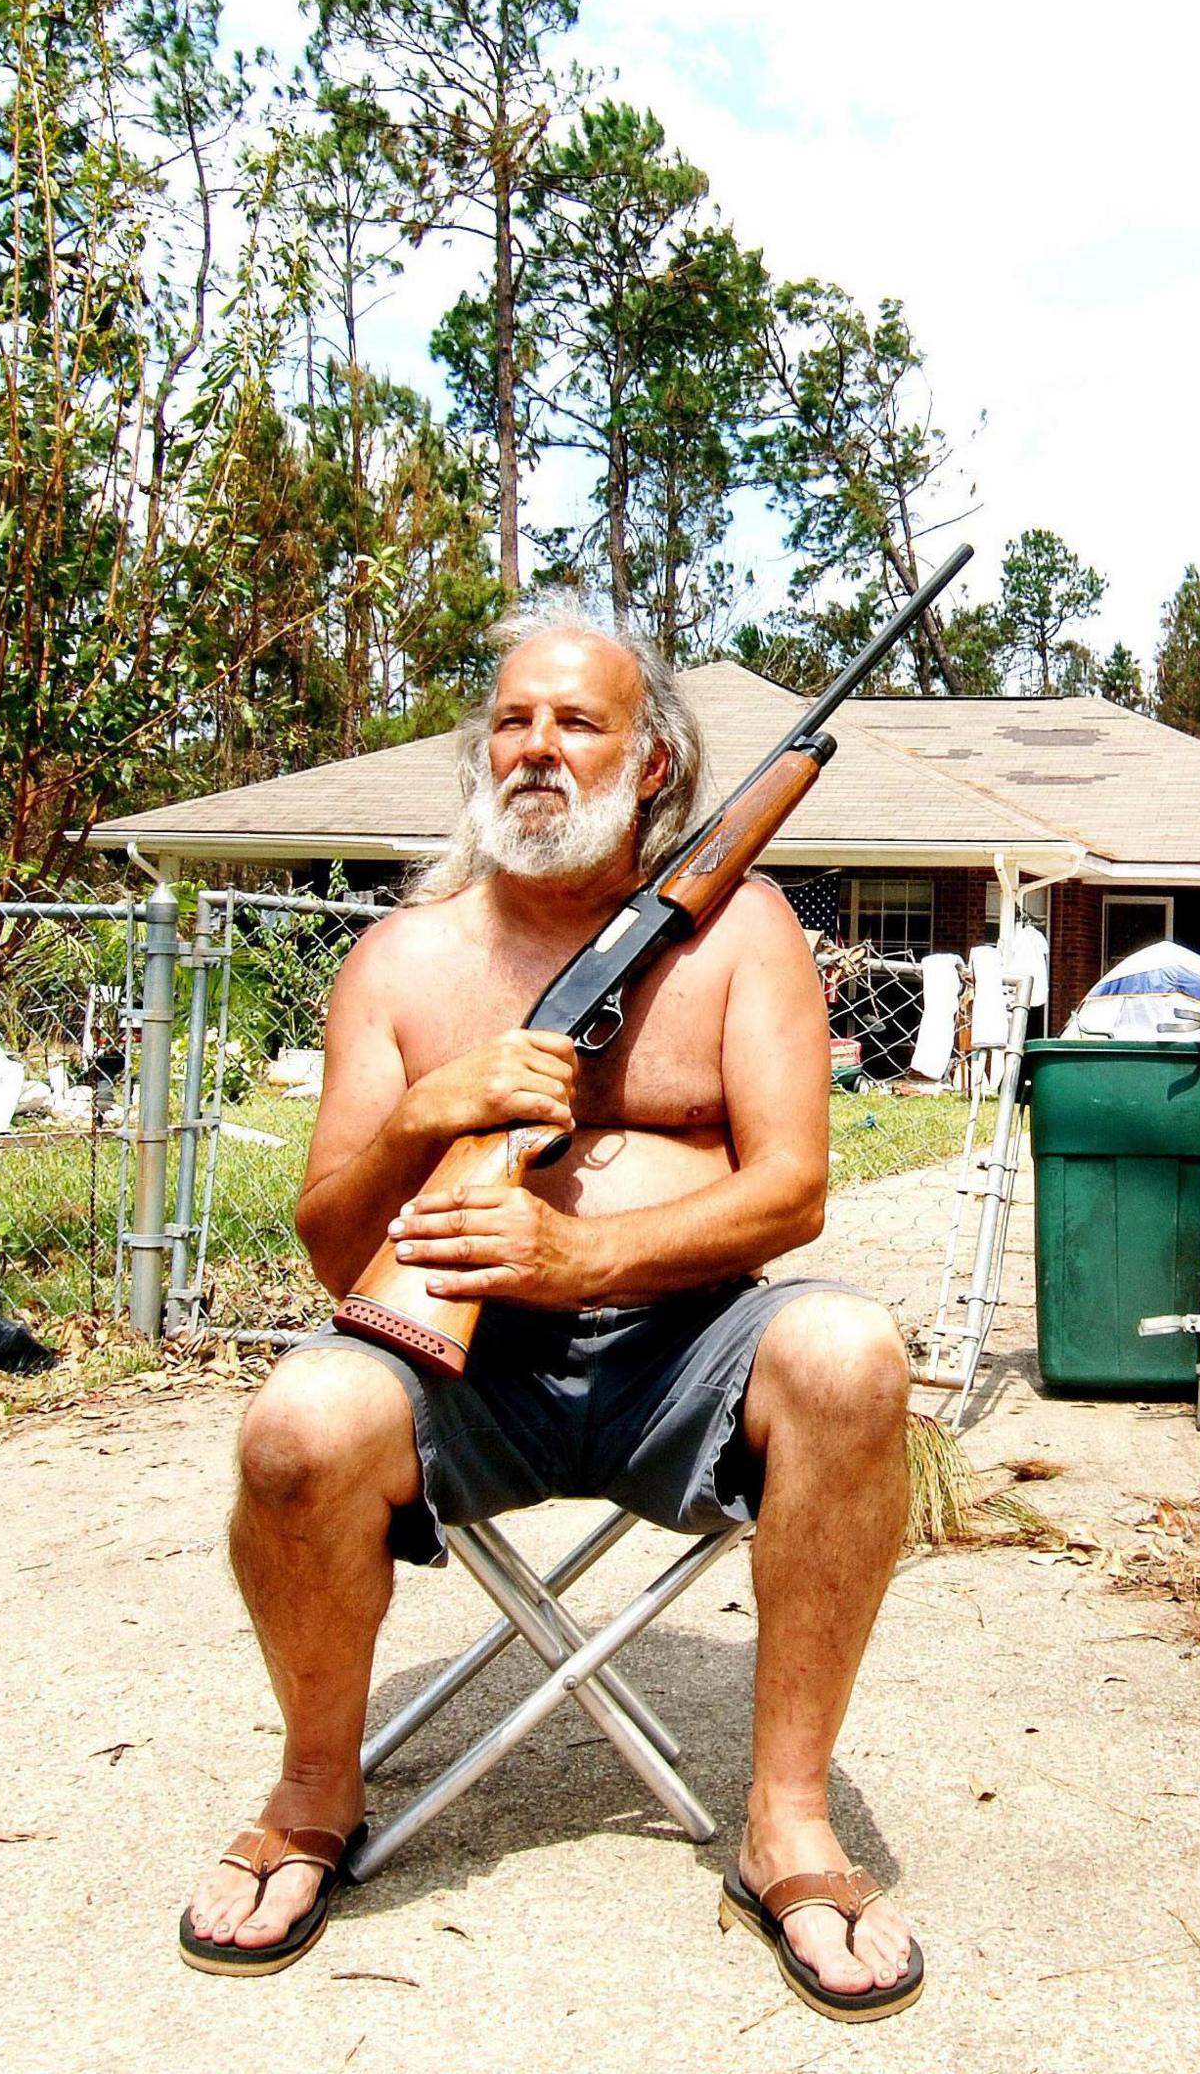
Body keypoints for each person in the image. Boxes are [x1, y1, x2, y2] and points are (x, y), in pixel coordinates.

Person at [176, 596, 924, 2022]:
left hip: (686, 1355)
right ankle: (316, 1789)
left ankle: (787, 1821)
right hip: (460, 1369)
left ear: (653, 767)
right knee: (292, 1427)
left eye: (579, 721)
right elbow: (340, 1250)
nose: (538, 747)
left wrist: (579, 1259)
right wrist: (427, 1115)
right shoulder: (402, 959)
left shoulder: (742, 929)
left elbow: (792, 1197)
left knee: (851, 1351)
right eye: (513, 720)